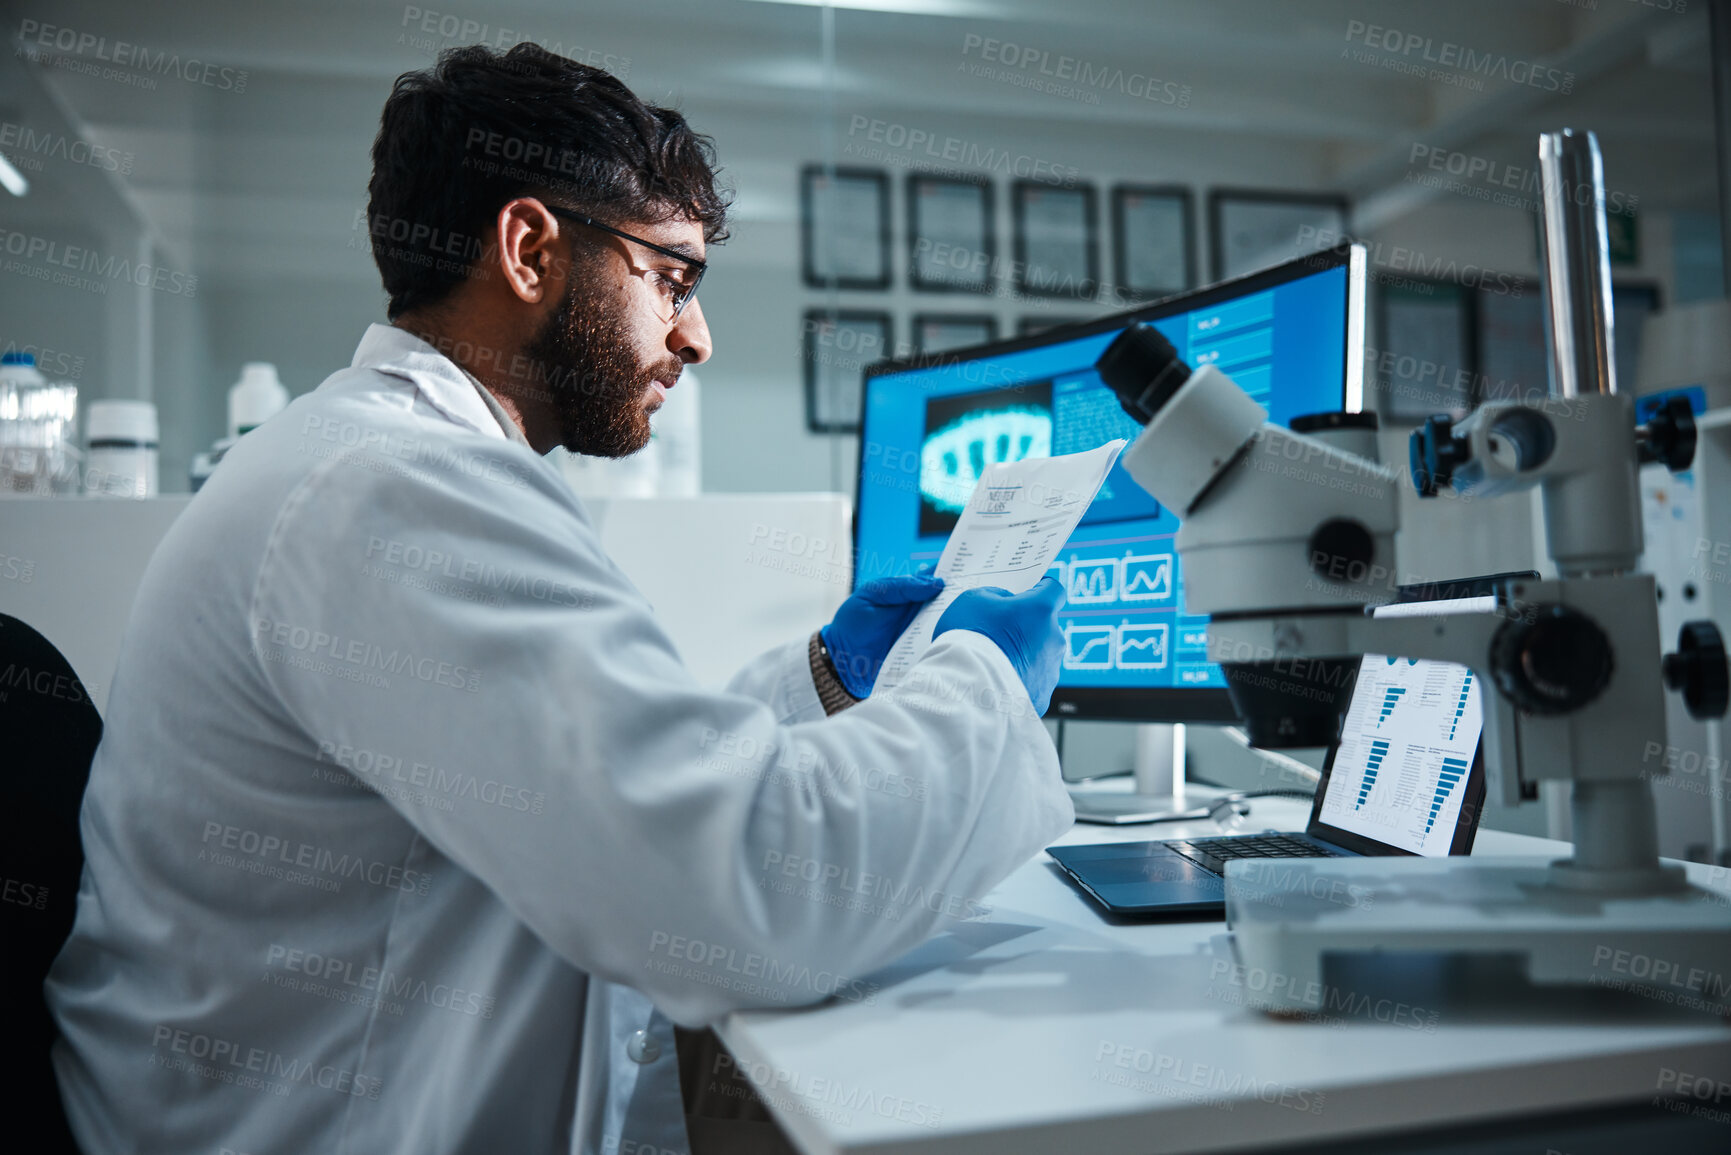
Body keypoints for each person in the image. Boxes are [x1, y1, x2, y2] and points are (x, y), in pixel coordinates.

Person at [45, 43, 1072, 1155]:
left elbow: (594, 788)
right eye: (670, 279)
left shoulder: (364, 459)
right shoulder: (395, 489)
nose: (697, 337)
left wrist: (820, 682)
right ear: (530, 250)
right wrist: (985, 679)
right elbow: (735, 894)